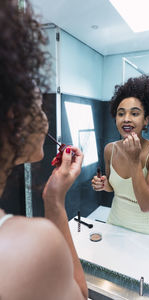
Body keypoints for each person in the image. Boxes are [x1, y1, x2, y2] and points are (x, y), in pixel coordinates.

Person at [0, 1, 88, 300]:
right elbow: (81, 295)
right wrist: (55, 201)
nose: (44, 113)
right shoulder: (31, 248)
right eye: (37, 99)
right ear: (15, 118)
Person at [92, 75, 149, 236]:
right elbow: (114, 188)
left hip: (145, 228)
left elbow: (146, 205)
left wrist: (134, 160)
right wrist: (104, 185)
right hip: (114, 221)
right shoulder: (109, 149)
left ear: (146, 120)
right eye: (121, 114)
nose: (126, 119)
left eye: (135, 113)